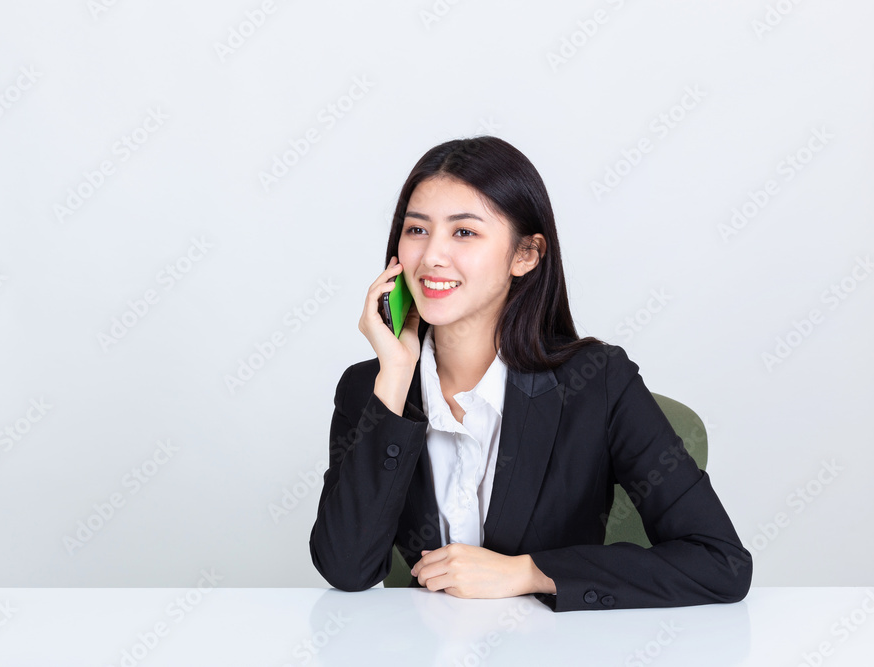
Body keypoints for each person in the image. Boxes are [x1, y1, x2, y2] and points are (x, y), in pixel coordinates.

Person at [309, 136, 752, 611]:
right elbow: (347, 568)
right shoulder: (371, 389)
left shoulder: (598, 382)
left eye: (464, 232)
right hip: (422, 645)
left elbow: (720, 562)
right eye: (417, 229)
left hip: (550, 645)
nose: (432, 256)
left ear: (525, 255)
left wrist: (529, 571)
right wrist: (396, 377)